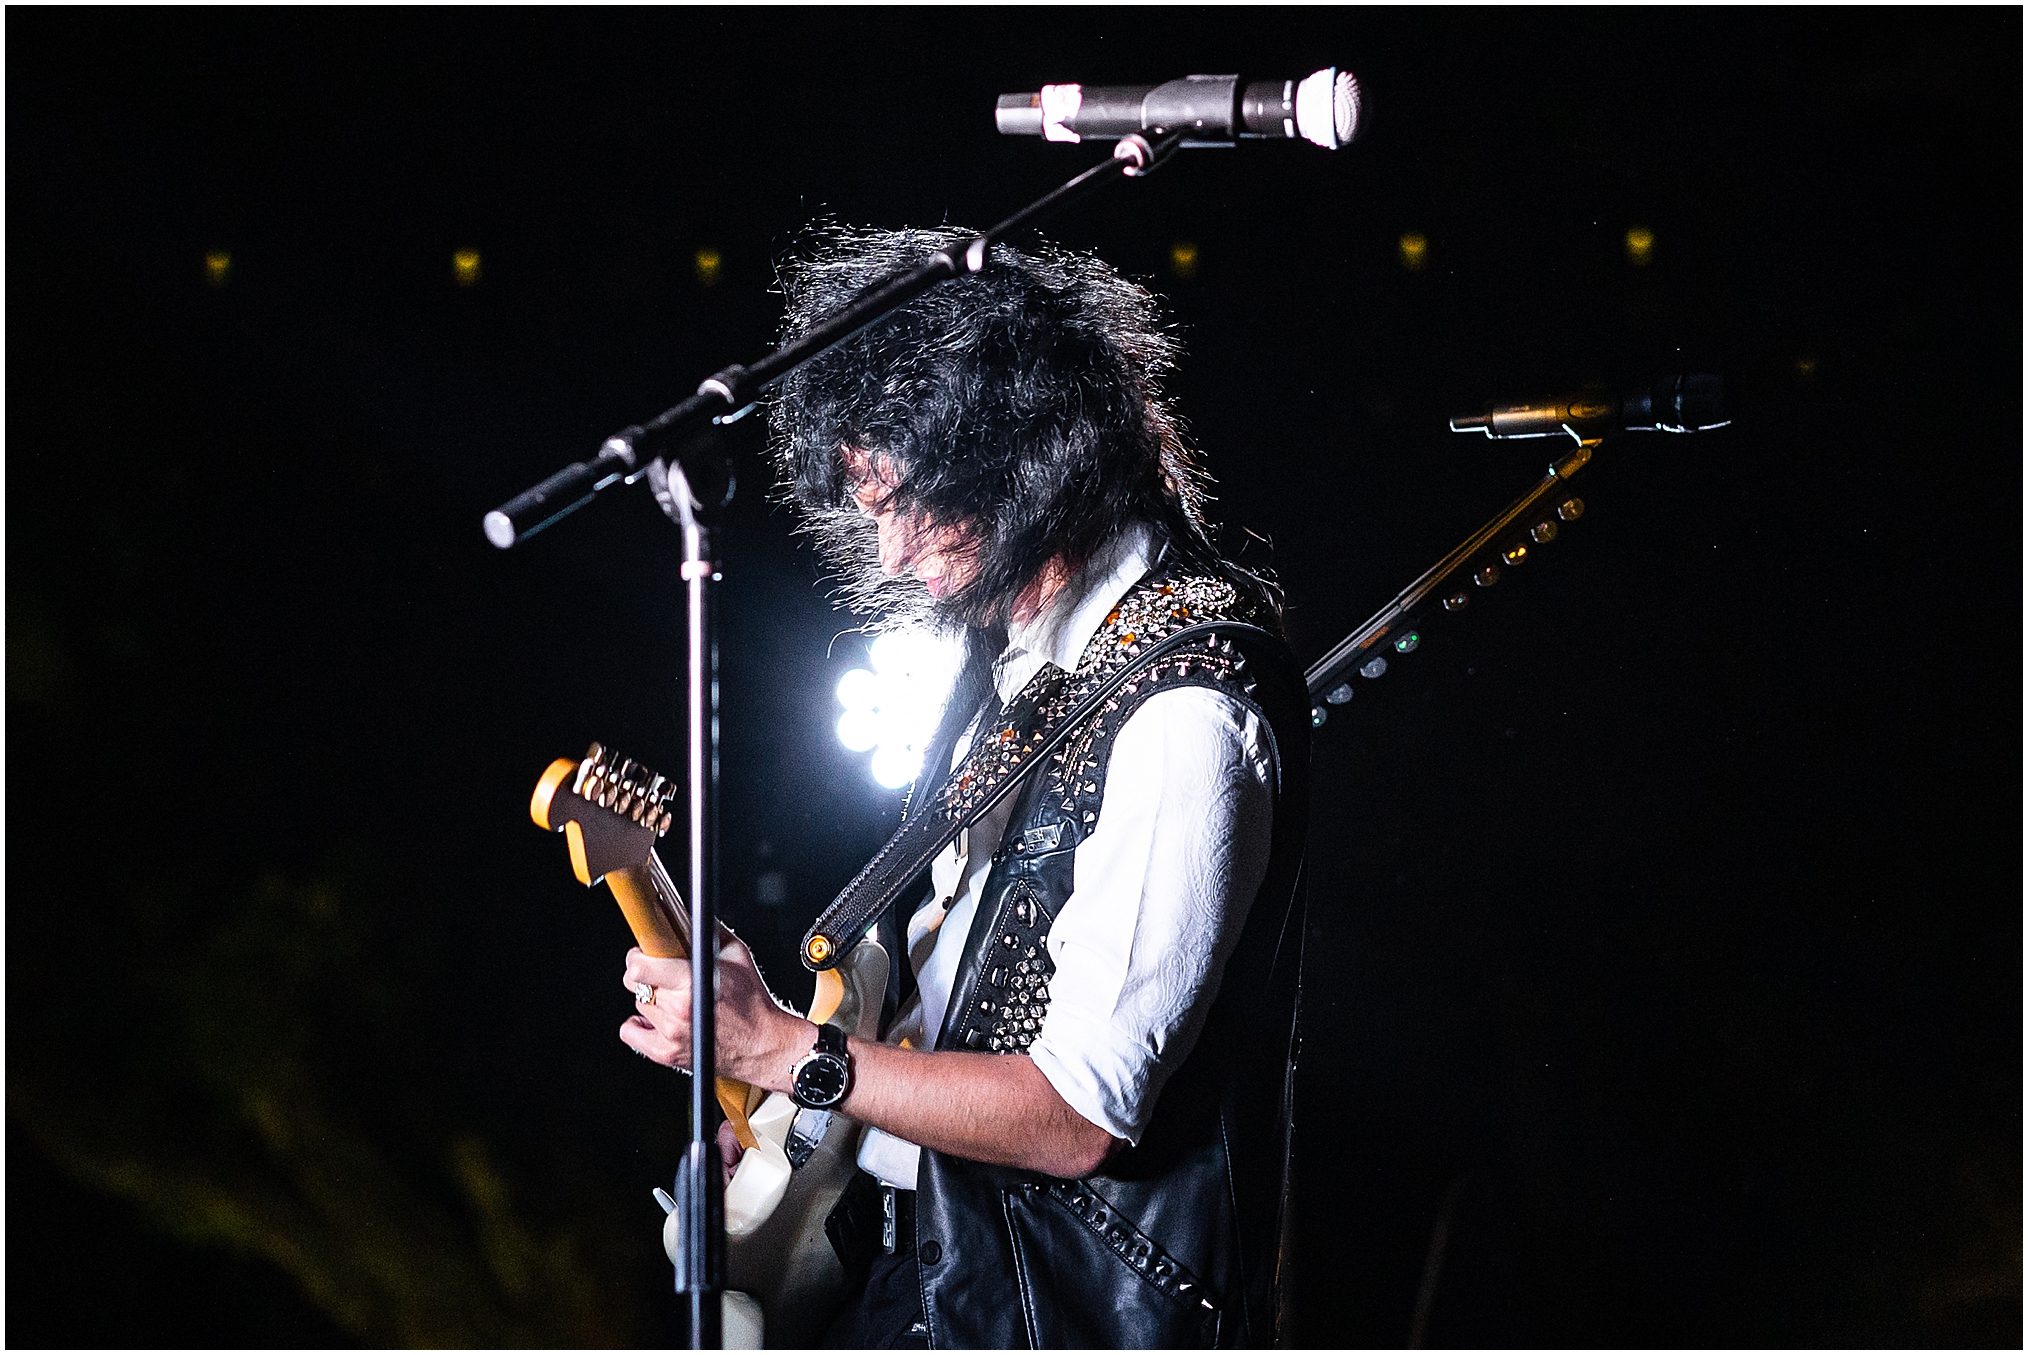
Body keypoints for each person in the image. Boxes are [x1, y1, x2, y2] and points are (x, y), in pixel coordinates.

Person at [619, 227, 1310, 1348]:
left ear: (1017, 453)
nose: (888, 553)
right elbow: (946, 1022)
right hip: (940, 1270)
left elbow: (1078, 1116)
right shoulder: (1026, 660)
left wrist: (787, 1053)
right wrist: (803, 1107)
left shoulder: (1186, 713)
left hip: (1052, 1317)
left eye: (905, 502)